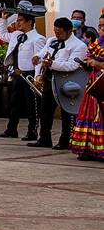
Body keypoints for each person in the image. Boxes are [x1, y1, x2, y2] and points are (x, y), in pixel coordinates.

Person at [31, 17, 89, 150]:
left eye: (60, 32)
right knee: (45, 110)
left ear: (69, 31)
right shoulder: (52, 40)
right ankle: (44, 138)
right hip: (50, 78)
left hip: (67, 81)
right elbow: (44, 52)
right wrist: (37, 57)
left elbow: (72, 65)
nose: (57, 35)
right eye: (55, 31)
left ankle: (66, 140)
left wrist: (53, 64)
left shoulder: (79, 45)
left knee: (66, 112)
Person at [0, 1, 47, 141]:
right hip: (17, 74)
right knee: (14, 103)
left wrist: (37, 77)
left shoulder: (38, 38)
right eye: (17, 20)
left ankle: (32, 131)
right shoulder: (16, 34)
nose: (18, 23)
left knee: (32, 105)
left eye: (21, 21)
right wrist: (3, 19)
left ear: (30, 22)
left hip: (29, 74)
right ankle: (11, 129)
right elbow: (2, 35)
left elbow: (38, 60)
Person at [70, 11, 104, 161]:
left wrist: (98, 64)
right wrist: (88, 62)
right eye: (100, 26)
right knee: (88, 114)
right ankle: (88, 149)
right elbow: (90, 55)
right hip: (93, 82)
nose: (101, 29)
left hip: (102, 82)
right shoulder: (98, 42)